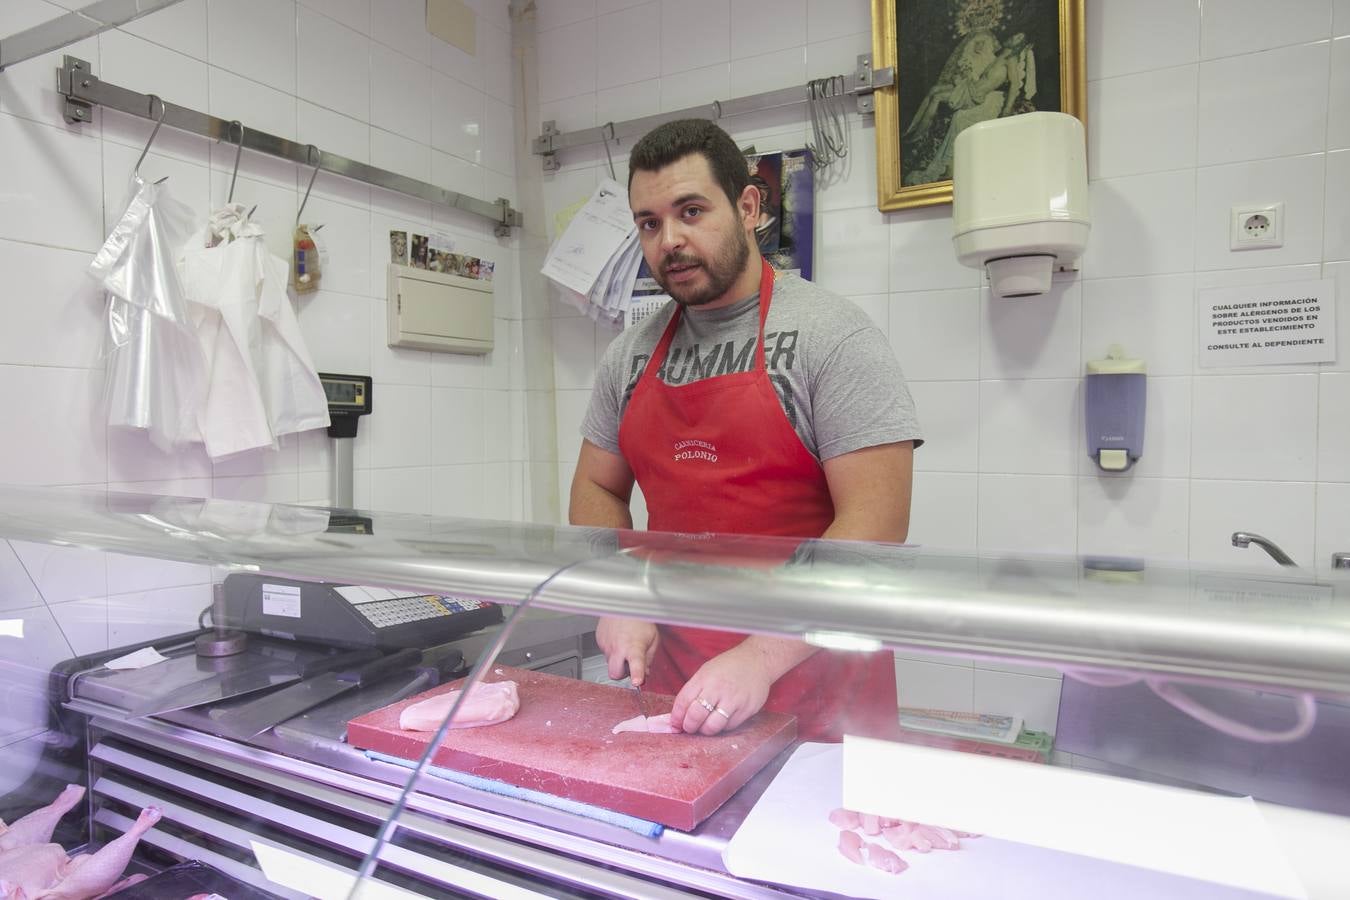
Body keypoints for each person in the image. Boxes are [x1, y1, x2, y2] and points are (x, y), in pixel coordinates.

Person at [570, 118, 923, 742]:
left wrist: (759, 658)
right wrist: (617, 593)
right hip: (675, 689)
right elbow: (598, 488)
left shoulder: (832, 337)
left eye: (691, 211)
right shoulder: (627, 357)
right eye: (649, 223)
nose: (670, 240)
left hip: (818, 692)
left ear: (750, 206)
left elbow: (876, 528)